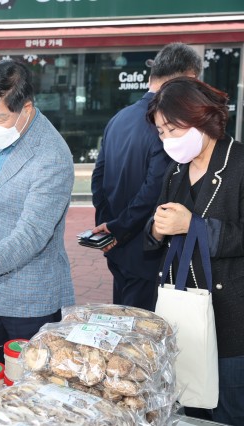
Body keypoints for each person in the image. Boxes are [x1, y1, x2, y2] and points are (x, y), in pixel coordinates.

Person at [0, 61, 75, 362]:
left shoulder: (52, 156)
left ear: (27, 109)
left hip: (30, 300)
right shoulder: (7, 134)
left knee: (28, 387)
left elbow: (33, 232)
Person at [145, 76, 244, 425]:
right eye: (161, 132)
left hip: (230, 320)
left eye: (173, 128)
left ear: (201, 117)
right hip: (182, 311)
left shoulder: (239, 164)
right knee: (189, 405)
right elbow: (159, 223)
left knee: (229, 408)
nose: (167, 139)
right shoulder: (176, 170)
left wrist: (195, 226)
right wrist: (155, 229)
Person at [91, 43, 203, 311]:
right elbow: (156, 188)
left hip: (118, 246)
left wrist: (108, 228)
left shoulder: (119, 118)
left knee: (125, 320)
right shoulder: (169, 122)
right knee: (145, 337)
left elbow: (99, 179)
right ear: (189, 79)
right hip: (149, 250)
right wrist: (119, 228)